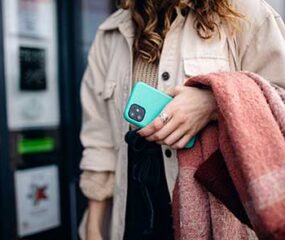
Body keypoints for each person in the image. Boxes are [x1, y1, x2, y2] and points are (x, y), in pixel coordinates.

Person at [78, 0, 285, 239]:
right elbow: (99, 137)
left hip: (215, 213)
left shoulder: (247, 13)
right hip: (132, 214)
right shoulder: (109, 35)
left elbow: (279, 101)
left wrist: (213, 102)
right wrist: (93, 227)